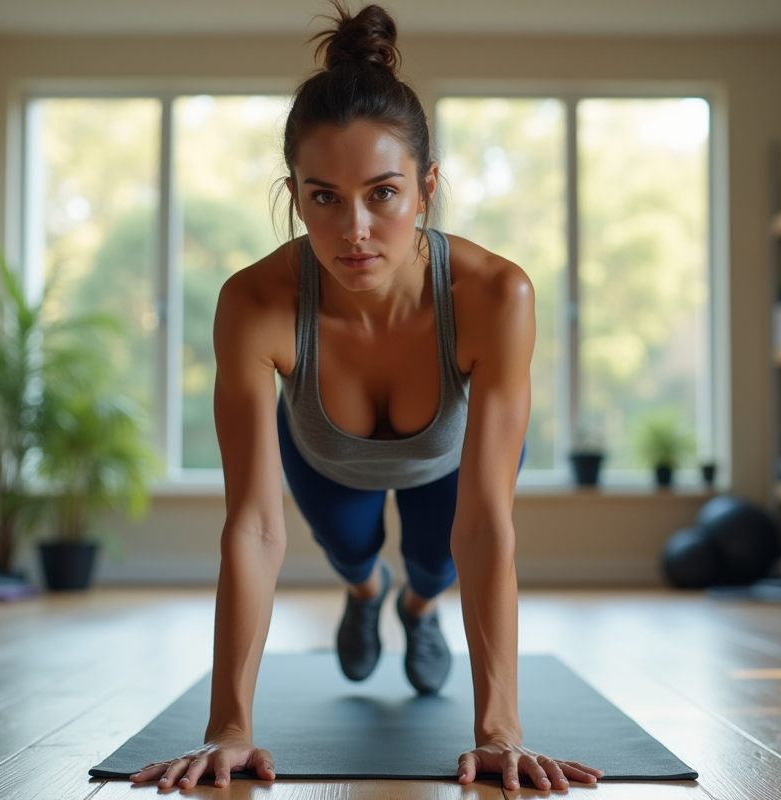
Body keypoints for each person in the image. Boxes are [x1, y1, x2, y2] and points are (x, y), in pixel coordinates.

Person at [130, 2, 604, 792]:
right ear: (294, 193)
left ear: (426, 187)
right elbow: (253, 526)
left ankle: (415, 609)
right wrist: (229, 729)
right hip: (326, 458)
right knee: (352, 551)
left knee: (434, 562)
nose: (354, 229)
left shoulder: (496, 294)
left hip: (450, 463)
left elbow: (484, 528)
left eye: (382, 194)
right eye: (323, 197)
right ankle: (364, 591)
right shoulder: (255, 303)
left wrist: (499, 731)